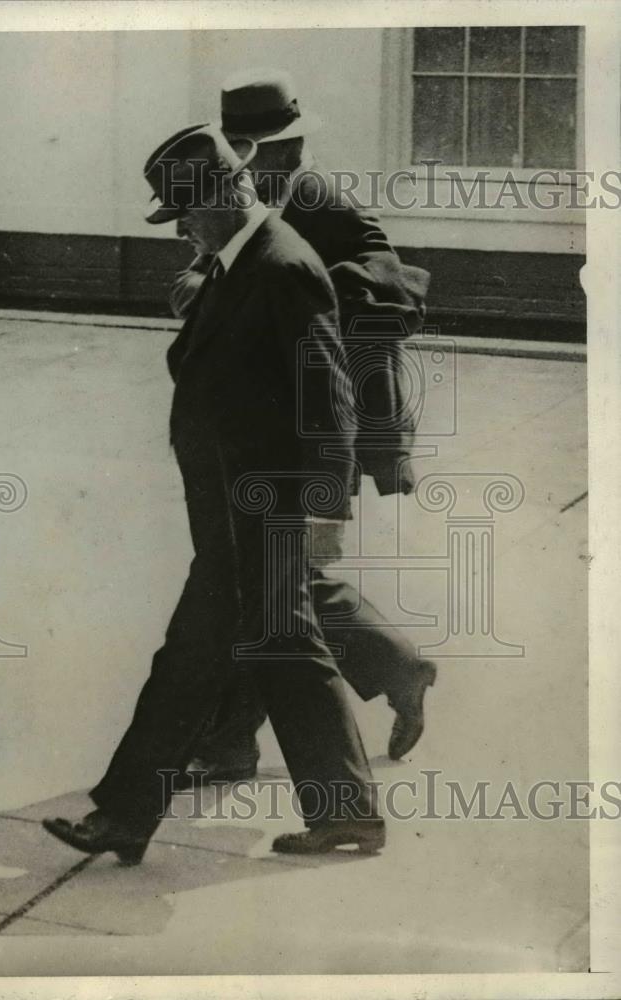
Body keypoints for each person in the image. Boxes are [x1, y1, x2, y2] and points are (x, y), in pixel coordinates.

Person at [42, 123, 385, 862]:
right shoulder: (238, 261)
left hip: (266, 507)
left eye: (186, 213)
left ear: (227, 194)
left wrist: (326, 509)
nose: (181, 230)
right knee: (241, 652)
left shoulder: (283, 265)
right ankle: (339, 812)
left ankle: (127, 815)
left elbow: (328, 397)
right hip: (234, 510)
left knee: (221, 653)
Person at [173, 69, 437, 783]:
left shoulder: (322, 203)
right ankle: (396, 669)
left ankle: (232, 742)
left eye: (246, 155)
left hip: (317, 425)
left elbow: (396, 288)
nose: (237, 169)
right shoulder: (249, 199)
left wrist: (293, 291)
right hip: (256, 424)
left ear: (285, 150)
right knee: (272, 582)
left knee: (270, 583)